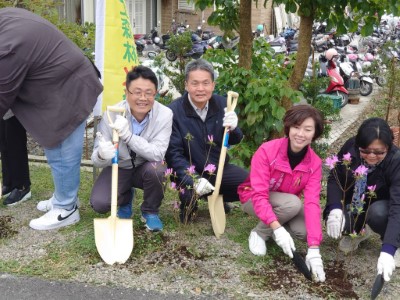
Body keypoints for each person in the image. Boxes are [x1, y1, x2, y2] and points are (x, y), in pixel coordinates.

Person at [0, 8, 103, 230]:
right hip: (57, 85)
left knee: (63, 150)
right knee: (53, 148)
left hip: (70, 89)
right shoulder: (6, 18)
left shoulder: (7, 45)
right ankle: (62, 197)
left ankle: (66, 209)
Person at [238, 105, 326, 282]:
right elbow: (259, 194)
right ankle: (260, 233)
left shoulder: (314, 163)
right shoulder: (267, 150)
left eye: (307, 129)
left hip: (286, 204)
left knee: (307, 233)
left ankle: (280, 224)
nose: (300, 134)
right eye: (296, 127)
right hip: (253, 199)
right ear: (288, 128)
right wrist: (276, 229)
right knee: (292, 203)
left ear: (314, 133)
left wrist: (314, 249)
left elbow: (311, 203)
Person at [90, 66, 173, 232]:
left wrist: (128, 136)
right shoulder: (112, 113)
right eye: (137, 92)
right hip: (119, 166)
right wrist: (101, 154)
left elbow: (158, 153)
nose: (143, 98)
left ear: (155, 93)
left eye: (149, 93)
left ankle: (150, 211)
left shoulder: (164, 114)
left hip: (146, 167)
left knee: (157, 169)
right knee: (99, 203)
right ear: (127, 92)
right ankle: (125, 197)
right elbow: (96, 159)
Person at [165, 58, 248, 223]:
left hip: (217, 169)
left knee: (249, 183)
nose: (200, 89)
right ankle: (189, 204)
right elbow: (173, 154)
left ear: (213, 85)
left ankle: (218, 196)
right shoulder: (173, 111)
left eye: (206, 83)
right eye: (195, 83)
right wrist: (194, 179)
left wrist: (234, 128)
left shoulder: (222, 104)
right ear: (186, 85)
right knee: (189, 207)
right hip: (187, 172)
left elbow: (235, 139)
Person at [325, 117, 400, 282]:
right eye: (365, 150)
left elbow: (397, 206)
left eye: (379, 152)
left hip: (382, 205)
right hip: (357, 201)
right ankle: (358, 232)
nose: (371, 156)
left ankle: (396, 243)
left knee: (378, 213)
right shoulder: (350, 149)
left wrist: (388, 250)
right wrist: (335, 209)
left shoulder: (395, 161)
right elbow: (335, 178)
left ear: (388, 148)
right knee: (340, 223)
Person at [0, 111, 31, 205]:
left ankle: (21, 186)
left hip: (14, 106)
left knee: (16, 144)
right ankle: (9, 183)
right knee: (3, 144)